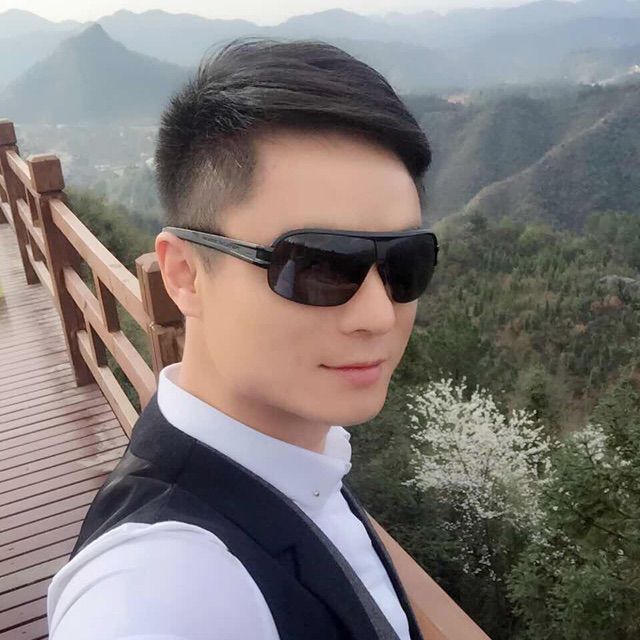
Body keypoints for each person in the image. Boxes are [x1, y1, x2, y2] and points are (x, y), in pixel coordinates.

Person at [46, 36, 438, 640]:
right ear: (184, 274)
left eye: (405, 263)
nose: (379, 315)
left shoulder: (299, 460)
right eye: (317, 266)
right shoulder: (159, 590)